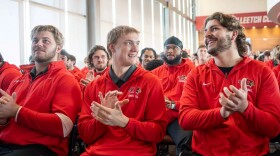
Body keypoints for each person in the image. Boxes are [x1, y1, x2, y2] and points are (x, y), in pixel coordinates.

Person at [179, 12, 280, 156]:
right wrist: (221, 113)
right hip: (205, 153)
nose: (207, 34)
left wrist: (245, 108)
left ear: (233, 35)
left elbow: (273, 128)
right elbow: (185, 119)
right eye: (205, 30)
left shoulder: (262, 72)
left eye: (214, 29)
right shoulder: (196, 75)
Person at [78, 25, 167, 156]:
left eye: (137, 43)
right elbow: (85, 135)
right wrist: (103, 118)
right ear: (112, 47)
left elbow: (158, 133)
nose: (136, 49)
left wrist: (124, 122)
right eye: (128, 43)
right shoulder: (94, 86)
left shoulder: (151, 82)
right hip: (98, 152)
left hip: (137, 152)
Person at [0, 25, 82, 156]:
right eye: (35, 40)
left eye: (46, 41)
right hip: (7, 144)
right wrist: (3, 118)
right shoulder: (19, 80)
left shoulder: (65, 79)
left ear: (58, 48)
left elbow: (63, 127)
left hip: (41, 148)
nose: (38, 44)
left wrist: (17, 111)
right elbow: (6, 120)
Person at [151, 36, 194, 155]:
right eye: (167, 48)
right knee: (137, 135)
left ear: (181, 51)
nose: (170, 51)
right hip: (157, 117)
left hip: (178, 117)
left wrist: (174, 105)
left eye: (174, 48)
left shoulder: (192, 70)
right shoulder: (154, 74)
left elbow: (194, 101)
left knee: (187, 140)